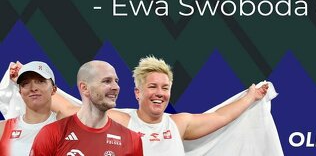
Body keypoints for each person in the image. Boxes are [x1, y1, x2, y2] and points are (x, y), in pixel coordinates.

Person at [41, 56, 277, 155]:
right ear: (138, 92)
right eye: (152, 87)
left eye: (165, 88)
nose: (159, 93)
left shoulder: (179, 124)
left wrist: (251, 97)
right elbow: (69, 110)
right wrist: (34, 82)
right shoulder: (122, 121)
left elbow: (220, 117)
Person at [29, 61, 143, 156]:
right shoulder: (51, 134)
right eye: (107, 81)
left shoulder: (132, 140)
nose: (116, 87)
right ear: (84, 88)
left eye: (116, 81)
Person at [0, 62, 60, 156]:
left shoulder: (65, 125)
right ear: (20, 92)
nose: (33, 88)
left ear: (54, 89)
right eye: (25, 83)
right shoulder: (2, 129)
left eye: (40, 81)